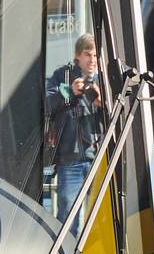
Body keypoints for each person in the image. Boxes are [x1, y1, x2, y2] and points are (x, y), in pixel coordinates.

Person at [46, 33, 110, 218]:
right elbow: (47, 104)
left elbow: (119, 110)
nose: (92, 60)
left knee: (100, 217)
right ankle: (66, 247)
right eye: (87, 54)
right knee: (68, 214)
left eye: (95, 56)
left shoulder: (104, 80)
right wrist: (70, 93)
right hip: (70, 157)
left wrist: (102, 101)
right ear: (77, 56)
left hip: (99, 157)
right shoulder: (63, 76)